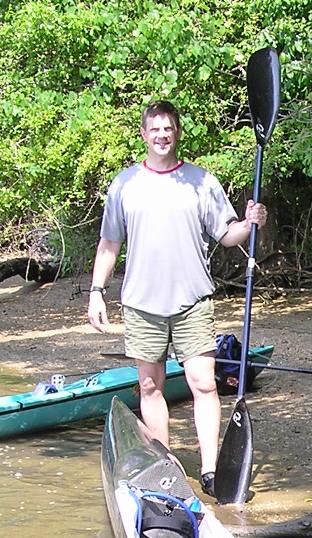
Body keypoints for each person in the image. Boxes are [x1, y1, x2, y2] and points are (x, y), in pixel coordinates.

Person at [87, 99, 267, 497]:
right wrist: (97, 292)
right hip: (141, 304)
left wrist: (249, 224)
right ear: (143, 135)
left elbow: (227, 236)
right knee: (150, 387)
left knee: (203, 383)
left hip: (192, 301)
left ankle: (208, 470)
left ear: (177, 132)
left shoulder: (201, 181)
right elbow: (109, 244)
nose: (162, 136)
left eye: (168, 129)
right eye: (155, 129)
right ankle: (165, 466)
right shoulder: (124, 185)